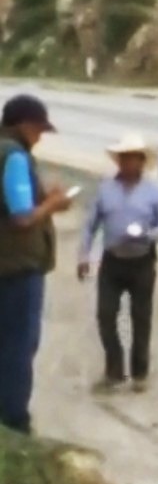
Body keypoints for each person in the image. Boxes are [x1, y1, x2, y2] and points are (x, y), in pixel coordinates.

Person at [76, 135, 158, 393]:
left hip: (141, 260)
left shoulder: (154, 191)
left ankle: (140, 372)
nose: (127, 163)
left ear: (142, 162)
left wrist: (147, 235)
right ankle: (114, 369)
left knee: (141, 317)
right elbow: (91, 224)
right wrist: (84, 255)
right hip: (112, 261)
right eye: (123, 158)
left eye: (133, 158)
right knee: (106, 315)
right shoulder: (106, 188)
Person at [0, 95, 73, 435]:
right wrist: (53, 204)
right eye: (38, 128)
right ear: (23, 125)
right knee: (19, 343)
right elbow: (22, 218)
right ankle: (14, 418)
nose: (40, 136)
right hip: (17, 264)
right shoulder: (13, 156)